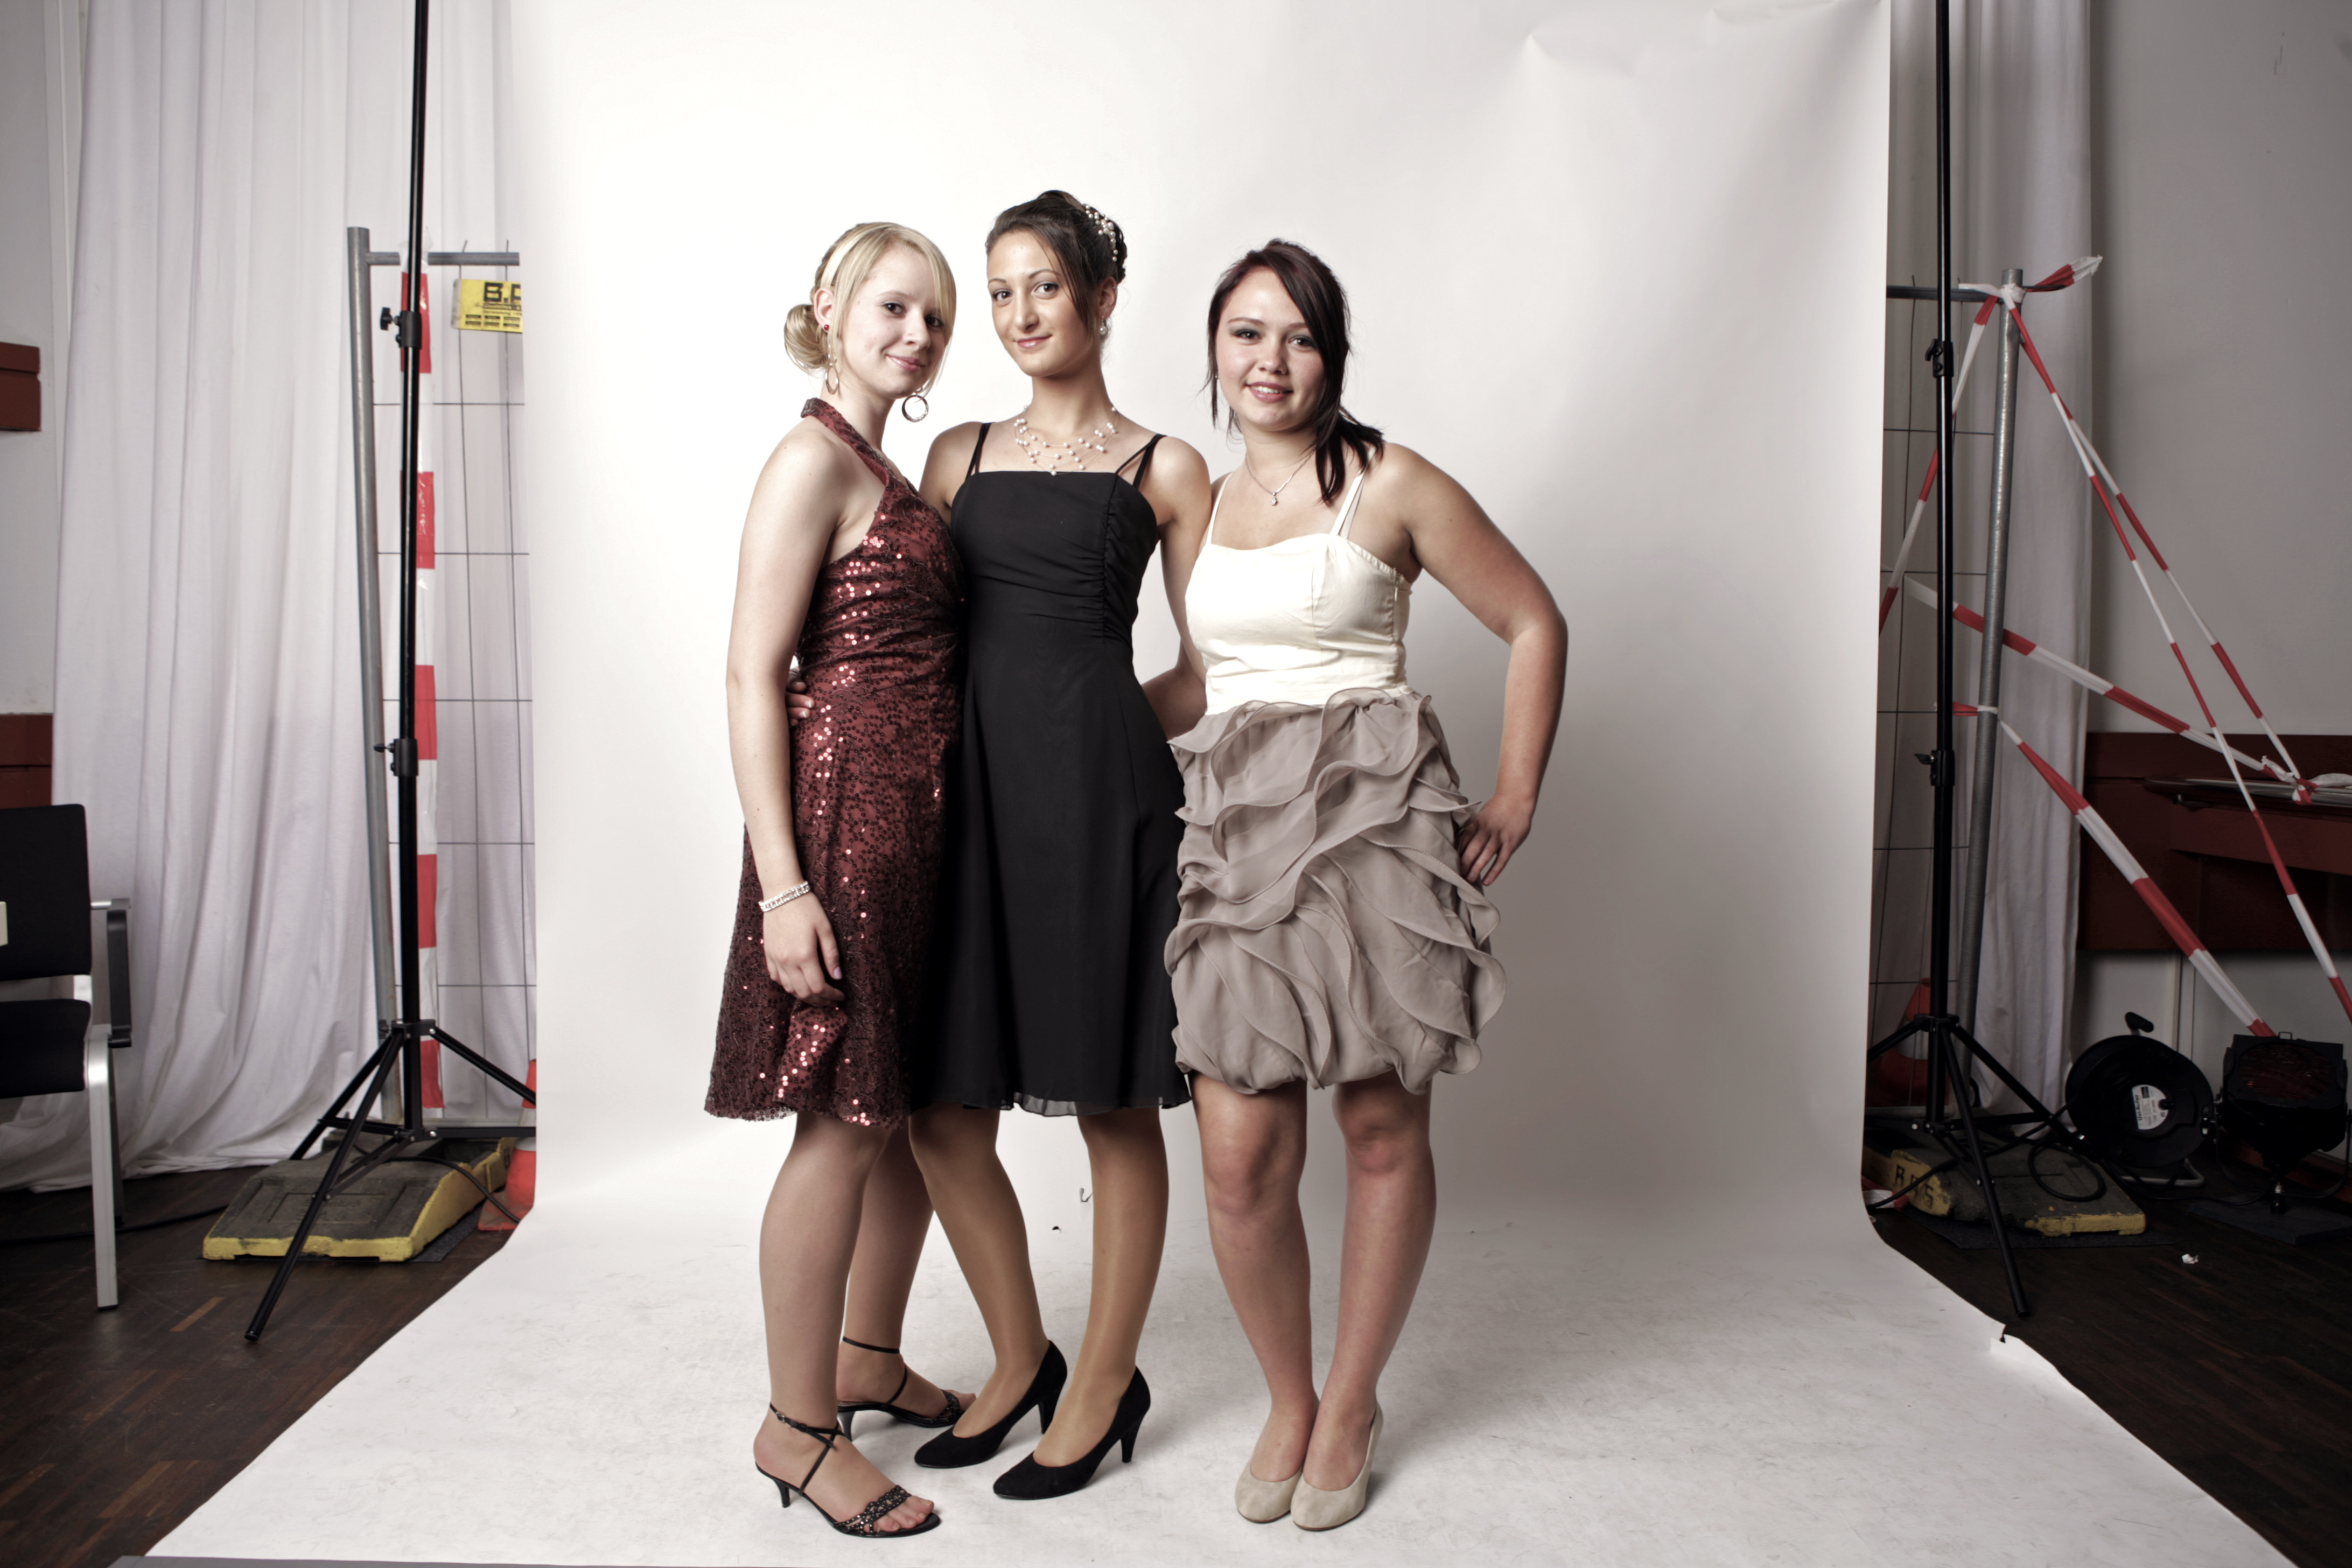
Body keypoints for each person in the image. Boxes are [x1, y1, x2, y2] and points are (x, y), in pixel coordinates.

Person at [1159, 240, 1566, 1531]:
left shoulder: (1391, 481)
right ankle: (1287, 1395)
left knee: (1383, 1130)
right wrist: (1067, 720)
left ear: (1333, 355)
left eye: (1299, 336)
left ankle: (1350, 1400)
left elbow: (1535, 619)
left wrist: (1515, 792)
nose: (1269, 361)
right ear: (1215, 348)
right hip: (1239, 831)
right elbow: (1202, 681)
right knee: (1240, 1156)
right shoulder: (1197, 499)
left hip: (1375, 822)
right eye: (1246, 333)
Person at [905, 190, 1213, 1501]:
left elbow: (1204, 670)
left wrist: (1098, 734)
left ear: (1101, 297)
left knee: (1111, 1096)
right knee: (941, 1107)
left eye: (1044, 285)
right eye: (1001, 291)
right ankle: (1019, 1354)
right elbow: (912, 641)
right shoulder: (957, 456)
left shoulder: (1168, 467)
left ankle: (1101, 1383)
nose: (1021, 313)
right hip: (966, 804)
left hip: (1102, 807)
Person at [706, 221, 968, 1541]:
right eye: (895, 307)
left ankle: (867, 1356)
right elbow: (753, 673)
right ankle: (798, 1428)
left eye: (937, 318)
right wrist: (784, 888)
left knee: (898, 1107)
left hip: (917, 829)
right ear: (831, 305)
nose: (918, 335)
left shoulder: (885, 463)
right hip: (845, 830)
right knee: (843, 1125)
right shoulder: (810, 458)